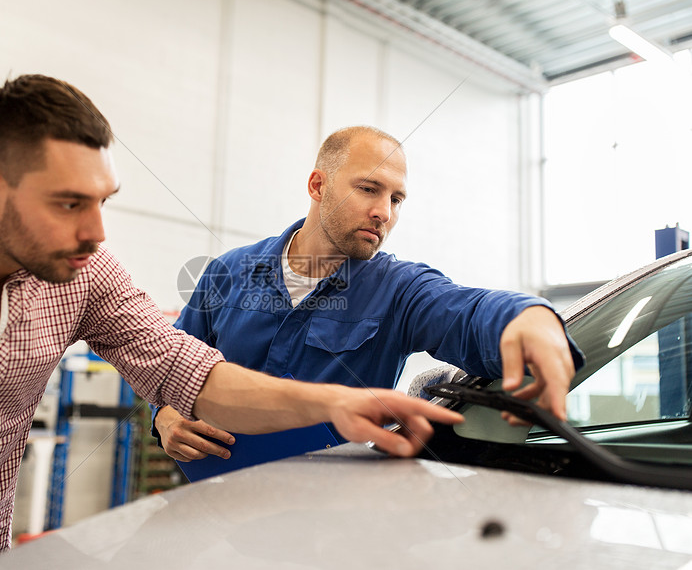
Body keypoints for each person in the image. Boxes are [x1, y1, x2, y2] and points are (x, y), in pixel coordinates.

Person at [0, 78, 464, 570]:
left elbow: (186, 368)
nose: (95, 234)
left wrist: (335, 403)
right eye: (69, 204)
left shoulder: (83, 268)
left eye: (104, 201)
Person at [152, 125, 582, 463]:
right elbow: (169, 368)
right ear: (318, 186)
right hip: (220, 506)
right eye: (369, 189)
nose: (384, 212)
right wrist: (165, 417)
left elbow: (465, 311)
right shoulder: (227, 273)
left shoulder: (398, 290)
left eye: (397, 199)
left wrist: (530, 316)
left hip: (334, 523)